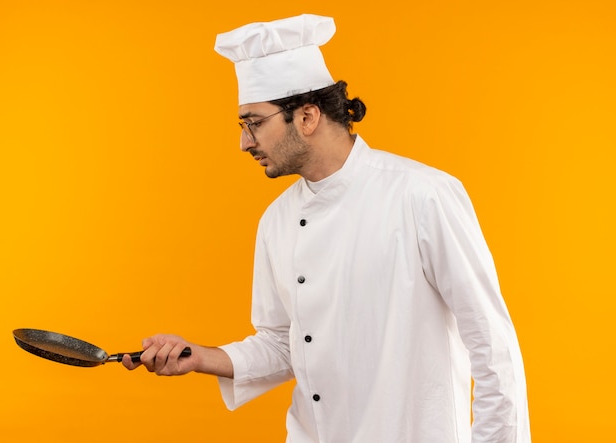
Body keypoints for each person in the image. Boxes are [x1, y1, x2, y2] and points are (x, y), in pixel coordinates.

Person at [122, 14, 531, 442]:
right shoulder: (277, 221)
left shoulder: (423, 195)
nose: (244, 143)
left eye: (254, 123)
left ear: (308, 117)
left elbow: (491, 344)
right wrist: (200, 357)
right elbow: (286, 344)